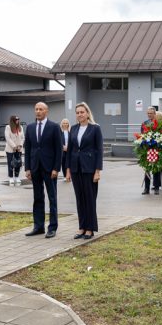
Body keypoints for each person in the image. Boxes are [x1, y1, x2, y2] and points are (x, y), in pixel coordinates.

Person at [24, 102, 63, 238]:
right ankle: (38, 226)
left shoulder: (54, 127)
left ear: (46, 111)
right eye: (36, 109)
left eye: (41, 109)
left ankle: (52, 227)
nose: (38, 111)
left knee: (52, 197)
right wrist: (27, 168)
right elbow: (28, 149)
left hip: (50, 168)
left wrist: (56, 168)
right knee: (37, 197)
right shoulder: (30, 127)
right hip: (35, 167)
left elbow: (59, 149)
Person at [66, 102, 103, 240]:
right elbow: (70, 150)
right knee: (80, 199)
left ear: (87, 113)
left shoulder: (95, 128)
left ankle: (90, 228)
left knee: (89, 198)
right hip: (76, 168)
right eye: (77, 113)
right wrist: (68, 170)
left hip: (89, 168)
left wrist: (97, 170)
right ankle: (82, 227)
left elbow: (99, 150)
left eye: (82, 112)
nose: (80, 114)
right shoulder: (73, 128)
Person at [142, 107, 160, 195]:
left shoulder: (159, 123)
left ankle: (156, 188)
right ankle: (146, 188)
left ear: (155, 114)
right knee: (147, 169)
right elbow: (142, 135)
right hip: (147, 149)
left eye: (151, 113)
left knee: (156, 169)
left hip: (156, 148)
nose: (149, 115)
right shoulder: (144, 123)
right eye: (148, 113)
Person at [4, 115, 24, 186]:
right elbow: (8, 138)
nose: (17, 120)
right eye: (16, 119)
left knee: (18, 163)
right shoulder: (8, 127)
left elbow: (23, 138)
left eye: (18, 119)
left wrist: (20, 145)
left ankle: (17, 177)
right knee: (11, 164)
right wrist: (14, 146)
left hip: (19, 149)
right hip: (10, 149)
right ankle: (11, 177)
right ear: (12, 120)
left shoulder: (20, 127)